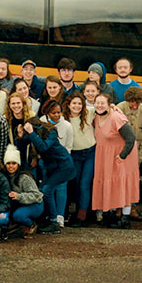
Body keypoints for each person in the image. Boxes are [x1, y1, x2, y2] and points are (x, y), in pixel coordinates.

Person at [91, 92, 140, 229]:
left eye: (103, 103)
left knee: (123, 184)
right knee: (110, 183)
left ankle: (125, 217)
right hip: (105, 155)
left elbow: (130, 138)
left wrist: (122, 155)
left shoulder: (116, 117)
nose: (99, 106)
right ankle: (111, 214)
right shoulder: (95, 116)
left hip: (120, 155)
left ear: (109, 105)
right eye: (97, 103)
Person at [22, 115, 76, 233]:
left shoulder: (51, 132)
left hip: (63, 166)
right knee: (42, 190)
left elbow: (43, 147)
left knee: (47, 191)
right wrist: (21, 134)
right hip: (51, 167)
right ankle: (47, 218)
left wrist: (31, 133)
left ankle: (54, 222)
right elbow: (23, 142)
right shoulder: (35, 135)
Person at [117, 85, 142, 221]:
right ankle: (118, 206)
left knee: (133, 181)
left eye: (137, 102)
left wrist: (141, 154)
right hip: (120, 149)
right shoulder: (119, 108)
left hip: (136, 151)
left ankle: (132, 207)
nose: (134, 105)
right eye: (132, 102)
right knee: (118, 180)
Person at [64, 93, 95, 228]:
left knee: (85, 183)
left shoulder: (89, 113)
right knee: (75, 183)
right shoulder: (64, 119)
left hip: (89, 153)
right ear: (69, 105)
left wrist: (113, 106)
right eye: (74, 103)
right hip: (74, 154)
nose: (77, 106)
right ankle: (76, 211)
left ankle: (82, 215)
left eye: (79, 104)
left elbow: (104, 106)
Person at [3, 146, 44, 233]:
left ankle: (31, 224)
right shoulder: (4, 177)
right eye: (8, 163)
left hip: (35, 204)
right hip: (20, 204)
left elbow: (36, 195)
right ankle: (16, 224)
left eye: (14, 163)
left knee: (18, 215)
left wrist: (19, 196)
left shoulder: (24, 177)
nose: (11, 166)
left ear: (18, 164)